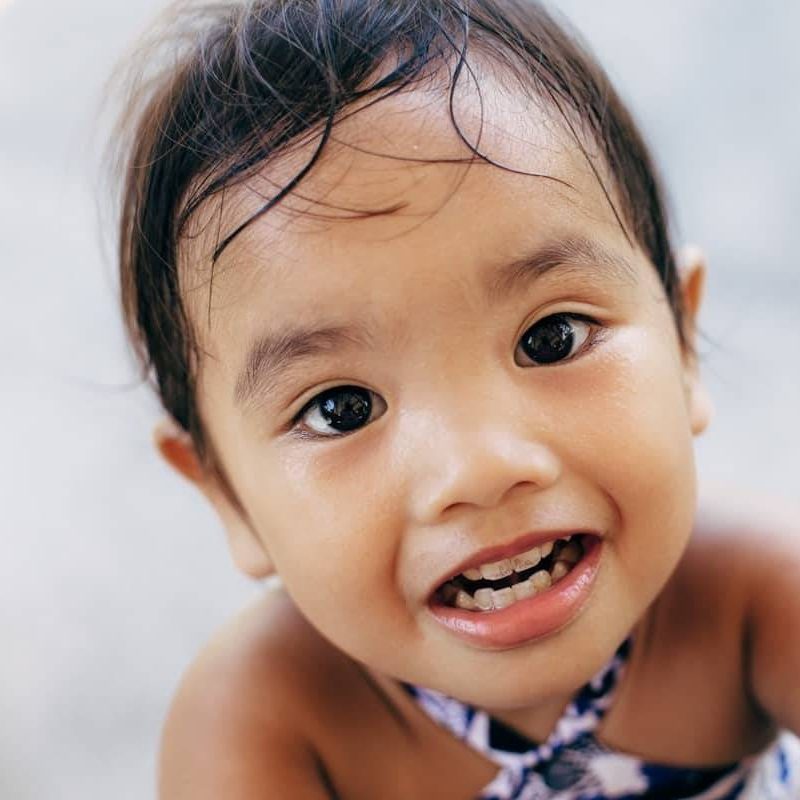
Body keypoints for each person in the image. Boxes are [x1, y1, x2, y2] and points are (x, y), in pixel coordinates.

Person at [110, 1, 800, 797]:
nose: (480, 467)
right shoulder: (260, 719)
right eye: (341, 408)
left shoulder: (752, 593)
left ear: (681, 343)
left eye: (552, 338)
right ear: (227, 497)